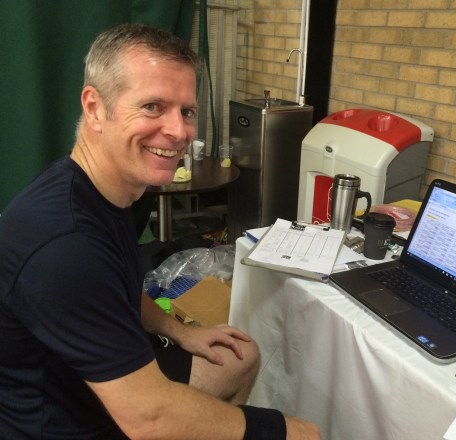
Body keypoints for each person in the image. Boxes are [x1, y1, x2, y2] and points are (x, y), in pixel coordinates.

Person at [0, 23, 321, 440]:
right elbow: (148, 418)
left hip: (99, 375)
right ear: (95, 108)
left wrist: (181, 331)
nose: (179, 131)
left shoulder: (105, 191)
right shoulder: (65, 243)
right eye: (153, 106)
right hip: (64, 419)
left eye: (186, 111)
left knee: (238, 355)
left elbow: (116, 289)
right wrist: (281, 430)